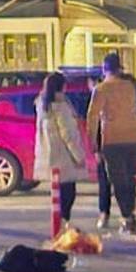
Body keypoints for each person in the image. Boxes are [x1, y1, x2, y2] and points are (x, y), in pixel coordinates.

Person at [86, 53, 136, 234]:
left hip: (113, 140)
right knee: (130, 179)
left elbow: (92, 117)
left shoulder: (102, 89)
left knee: (118, 181)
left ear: (104, 69)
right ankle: (130, 214)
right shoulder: (130, 87)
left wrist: (93, 143)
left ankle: (127, 218)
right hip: (134, 138)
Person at [34, 72, 86, 231]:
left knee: (59, 193)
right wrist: (79, 156)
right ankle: (63, 223)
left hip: (52, 155)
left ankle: (61, 223)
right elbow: (68, 134)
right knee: (68, 193)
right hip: (64, 155)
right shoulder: (60, 106)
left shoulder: (42, 105)